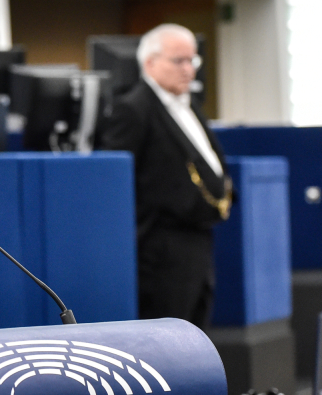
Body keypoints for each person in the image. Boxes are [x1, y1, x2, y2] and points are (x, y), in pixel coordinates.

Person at [99, 23, 231, 330]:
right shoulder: (133, 109)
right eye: (178, 61)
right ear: (150, 63)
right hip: (161, 250)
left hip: (197, 238)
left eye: (193, 61)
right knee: (172, 339)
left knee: (198, 332)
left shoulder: (189, 105)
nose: (188, 69)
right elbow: (117, 183)